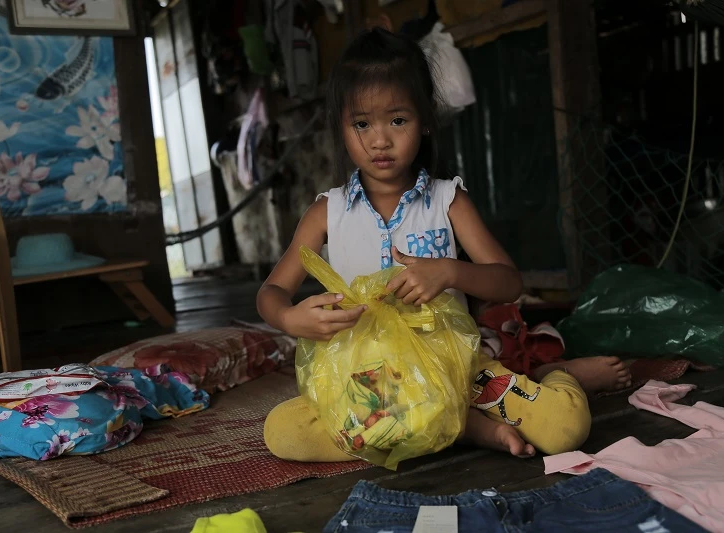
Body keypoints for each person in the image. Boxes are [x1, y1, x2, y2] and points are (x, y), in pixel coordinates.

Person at [257, 28, 629, 462]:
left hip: (458, 370)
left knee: (564, 426)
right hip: (372, 386)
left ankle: (554, 375)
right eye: (361, 124)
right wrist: (289, 317)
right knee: (285, 433)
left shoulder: (447, 201)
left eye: (398, 120)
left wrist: (451, 271)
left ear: (426, 120)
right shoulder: (327, 212)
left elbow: (508, 282)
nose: (379, 140)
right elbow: (271, 292)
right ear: (340, 128)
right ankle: (466, 428)